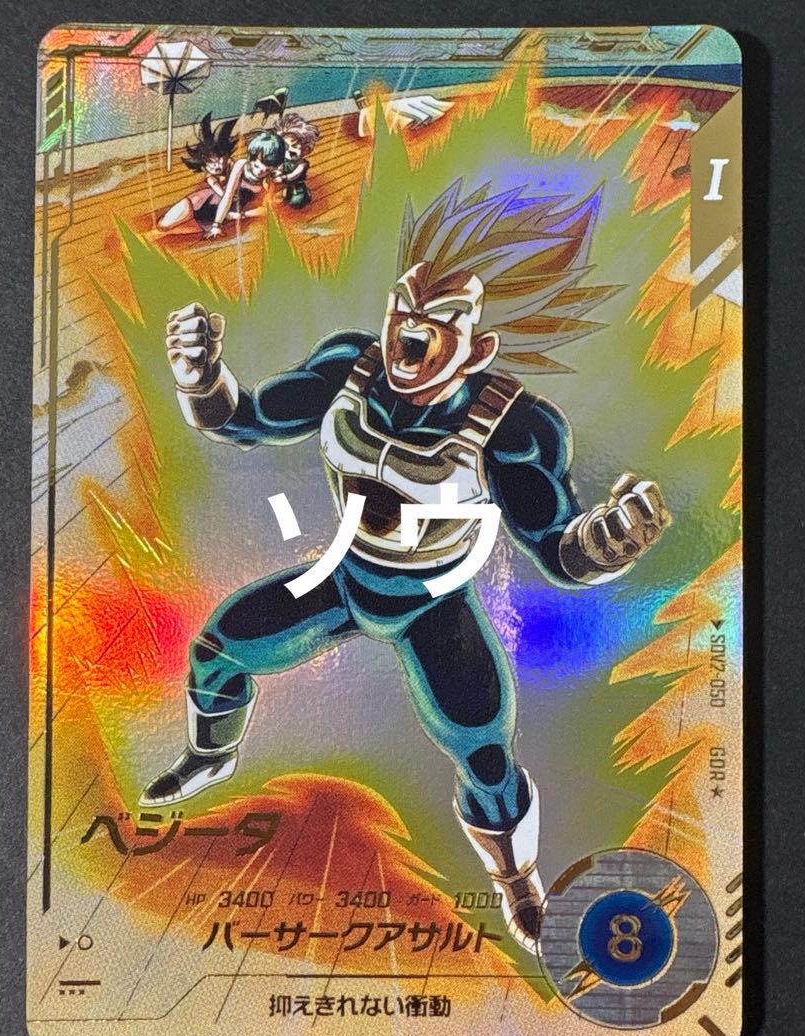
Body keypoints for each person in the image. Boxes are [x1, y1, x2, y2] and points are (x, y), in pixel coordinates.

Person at [142, 180, 672, 949]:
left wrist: (604, 545)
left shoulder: (512, 428)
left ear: (478, 349)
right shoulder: (350, 366)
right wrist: (201, 381)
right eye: (402, 313)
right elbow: (248, 419)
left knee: (486, 756)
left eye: (434, 323)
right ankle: (209, 755)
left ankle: (517, 883)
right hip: (345, 575)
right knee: (217, 652)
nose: (406, 336)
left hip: (432, 604)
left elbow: (557, 548)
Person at [157, 114, 239, 237]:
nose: (216, 165)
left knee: (181, 229)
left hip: (209, 213)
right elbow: (224, 194)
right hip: (194, 205)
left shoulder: (231, 165)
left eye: (218, 160)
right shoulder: (211, 177)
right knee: (164, 226)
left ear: (225, 156)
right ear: (204, 166)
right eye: (210, 164)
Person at [271, 113, 320, 208]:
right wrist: (278, 171)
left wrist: (283, 178)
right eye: (286, 147)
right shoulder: (285, 158)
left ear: (305, 148)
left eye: (294, 146)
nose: (290, 150)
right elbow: (281, 166)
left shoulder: (302, 164)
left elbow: (294, 175)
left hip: (297, 185)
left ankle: (305, 194)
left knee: (296, 202)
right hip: (287, 183)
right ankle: (286, 192)